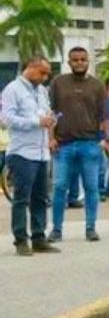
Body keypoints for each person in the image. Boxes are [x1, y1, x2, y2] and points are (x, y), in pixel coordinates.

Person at [47, 46, 109, 243]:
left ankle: (91, 228)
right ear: (69, 62)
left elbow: (105, 116)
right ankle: (56, 229)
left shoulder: (98, 85)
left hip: (90, 144)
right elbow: (51, 112)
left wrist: (107, 140)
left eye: (83, 59)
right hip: (63, 144)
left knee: (91, 188)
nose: (79, 63)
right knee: (59, 188)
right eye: (75, 60)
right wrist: (51, 137)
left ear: (88, 61)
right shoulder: (58, 82)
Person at [0, 55, 60, 256]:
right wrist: (36, 122)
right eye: (42, 72)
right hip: (22, 152)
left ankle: (38, 237)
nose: (44, 77)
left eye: (47, 74)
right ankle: (20, 240)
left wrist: (50, 125)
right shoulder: (12, 89)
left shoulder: (42, 90)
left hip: (42, 152)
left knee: (40, 198)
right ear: (30, 67)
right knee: (22, 198)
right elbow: (7, 119)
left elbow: (46, 114)